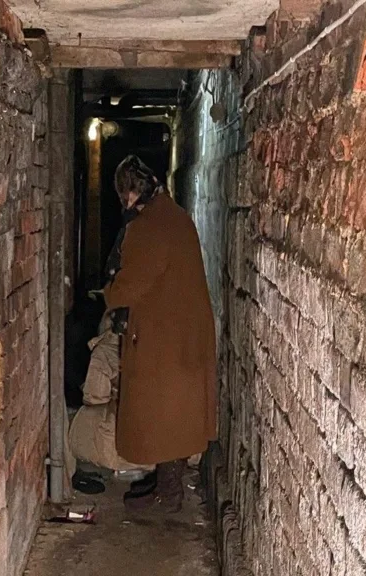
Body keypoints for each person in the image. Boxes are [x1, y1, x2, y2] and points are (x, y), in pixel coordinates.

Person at [99, 155, 217, 513]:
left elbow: (133, 282)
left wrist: (105, 297)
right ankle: (168, 483)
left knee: (165, 412)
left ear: (132, 192)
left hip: (167, 337)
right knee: (176, 414)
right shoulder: (174, 215)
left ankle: (169, 492)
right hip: (181, 331)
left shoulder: (149, 226)